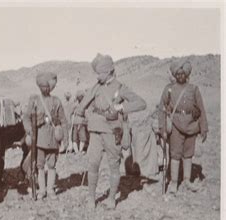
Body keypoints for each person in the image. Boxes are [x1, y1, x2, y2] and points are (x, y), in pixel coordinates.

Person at [75, 53, 146, 210]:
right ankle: (91, 199)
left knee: (114, 166)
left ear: (108, 72)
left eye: (99, 73)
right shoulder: (96, 87)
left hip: (112, 131)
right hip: (95, 131)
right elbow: (83, 105)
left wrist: (122, 107)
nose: (97, 76)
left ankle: (112, 198)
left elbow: (141, 103)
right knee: (93, 164)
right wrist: (80, 118)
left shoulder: (120, 88)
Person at [158, 59, 208, 194]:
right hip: (175, 125)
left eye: (182, 74)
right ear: (174, 75)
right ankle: (174, 183)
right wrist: (162, 128)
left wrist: (204, 128)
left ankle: (187, 180)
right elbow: (161, 109)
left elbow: (202, 109)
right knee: (175, 154)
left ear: (187, 74)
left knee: (188, 154)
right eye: (178, 74)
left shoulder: (194, 89)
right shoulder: (169, 89)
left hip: (192, 126)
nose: (180, 76)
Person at [23, 72, 69, 200]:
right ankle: (42, 190)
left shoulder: (56, 101)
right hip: (38, 139)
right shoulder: (34, 100)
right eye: (42, 87)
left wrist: (66, 139)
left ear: (50, 87)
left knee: (52, 165)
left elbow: (64, 121)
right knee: (39, 166)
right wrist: (29, 131)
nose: (45, 89)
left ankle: (50, 190)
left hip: (53, 138)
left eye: (47, 87)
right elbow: (26, 118)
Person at [72, 90, 89, 154]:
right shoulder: (84, 105)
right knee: (82, 137)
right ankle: (79, 151)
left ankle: (77, 151)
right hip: (81, 122)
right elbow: (86, 115)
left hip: (75, 122)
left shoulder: (74, 105)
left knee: (75, 138)